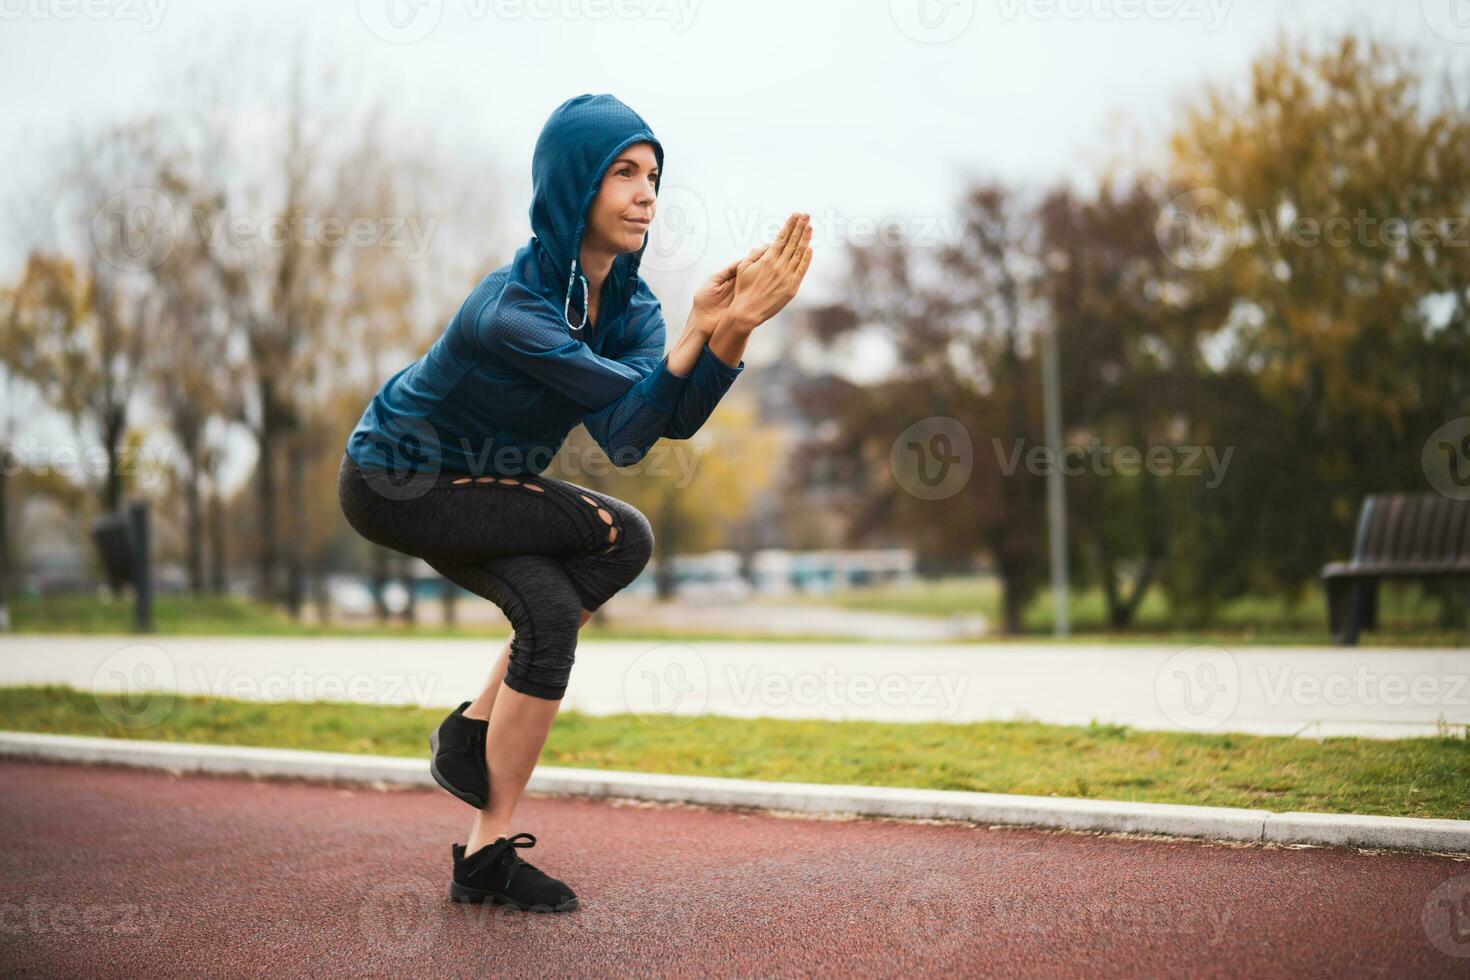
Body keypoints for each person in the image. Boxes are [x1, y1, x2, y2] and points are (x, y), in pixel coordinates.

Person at [336, 93, 814, 912]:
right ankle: (467, 733)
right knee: (622, 535)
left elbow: (649, 430)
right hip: (398, 480)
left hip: (481, 489)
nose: (646, 193)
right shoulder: (510, 310)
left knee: (552, 613)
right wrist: (706, 332)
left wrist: (728, 327)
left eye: (654, 175)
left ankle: (483, 855)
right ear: (572, 186)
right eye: (623, 172)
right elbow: (635, 416)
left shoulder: (631, 309)